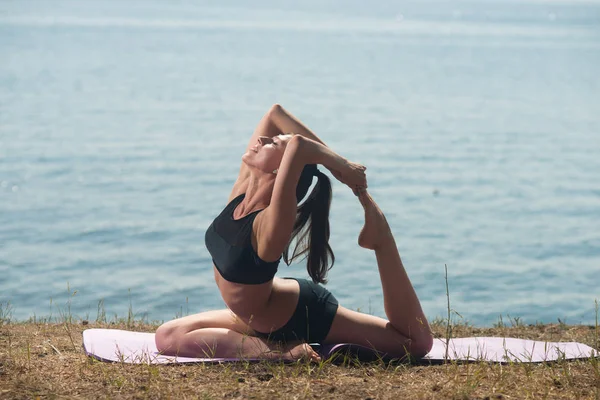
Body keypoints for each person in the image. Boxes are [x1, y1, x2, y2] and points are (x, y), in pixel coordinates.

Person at [155, 104, 433, 361]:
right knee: (166, 337)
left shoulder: (271, 222)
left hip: (300, 315)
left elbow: (298, 145)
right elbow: (274, 113)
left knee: (415, 344)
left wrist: (342, 168)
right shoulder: (243, 193)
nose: (261, 140)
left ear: (281, 170)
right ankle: (274, 348)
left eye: (273, 143)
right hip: (255, 317)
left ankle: (382, 239)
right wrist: (337, 165)